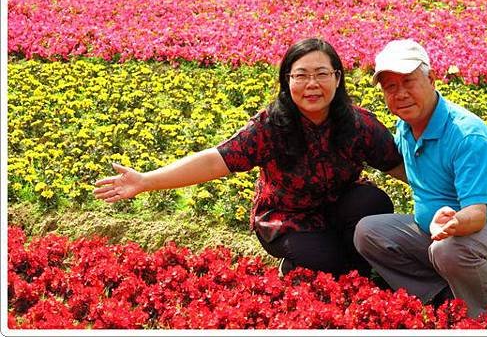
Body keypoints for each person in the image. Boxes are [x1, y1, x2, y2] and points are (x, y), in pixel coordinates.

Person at [94, 38, 406, 277]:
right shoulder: (271, 126)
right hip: (289, 219)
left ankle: (348, 264)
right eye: (301, 75)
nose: (312, 84)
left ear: (337, 79)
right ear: (287, 81)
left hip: (339, 209)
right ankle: (309, 263)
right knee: (330, 263)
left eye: (322, 74)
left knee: (373, 203)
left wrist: (452, 196)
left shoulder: (357, 124)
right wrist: (146, 181)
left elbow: (398, 164)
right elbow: (217, 160)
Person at [353, 39, 487, 318]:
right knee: (369, 232)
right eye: (390, 86)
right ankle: (446, 299)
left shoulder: (466, 135)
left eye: (408, 81)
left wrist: (452, 224)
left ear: (431, 79)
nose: (400, 93)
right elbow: (414, 172)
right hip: (443, 235)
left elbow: (476, 215)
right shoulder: (406, 125)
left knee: (449, 249)